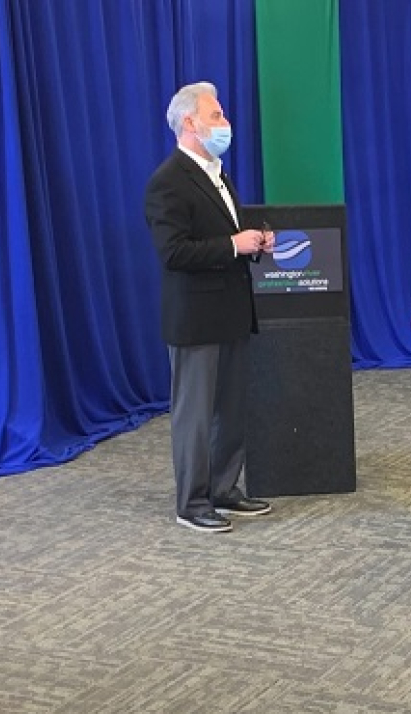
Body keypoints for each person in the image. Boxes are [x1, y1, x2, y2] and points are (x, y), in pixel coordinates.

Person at [144, 82, 274, 533]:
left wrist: (253, 241)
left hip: (231, 312)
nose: (225, 123)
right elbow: (174, 253)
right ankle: (192, 502)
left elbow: (225, 237)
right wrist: (232, 244)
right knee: (195, 415)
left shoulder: (218, 173)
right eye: (216, 115)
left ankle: (224, 487)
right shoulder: (167, 182)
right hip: (195, 317)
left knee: (231, 409)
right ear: (189, 123)